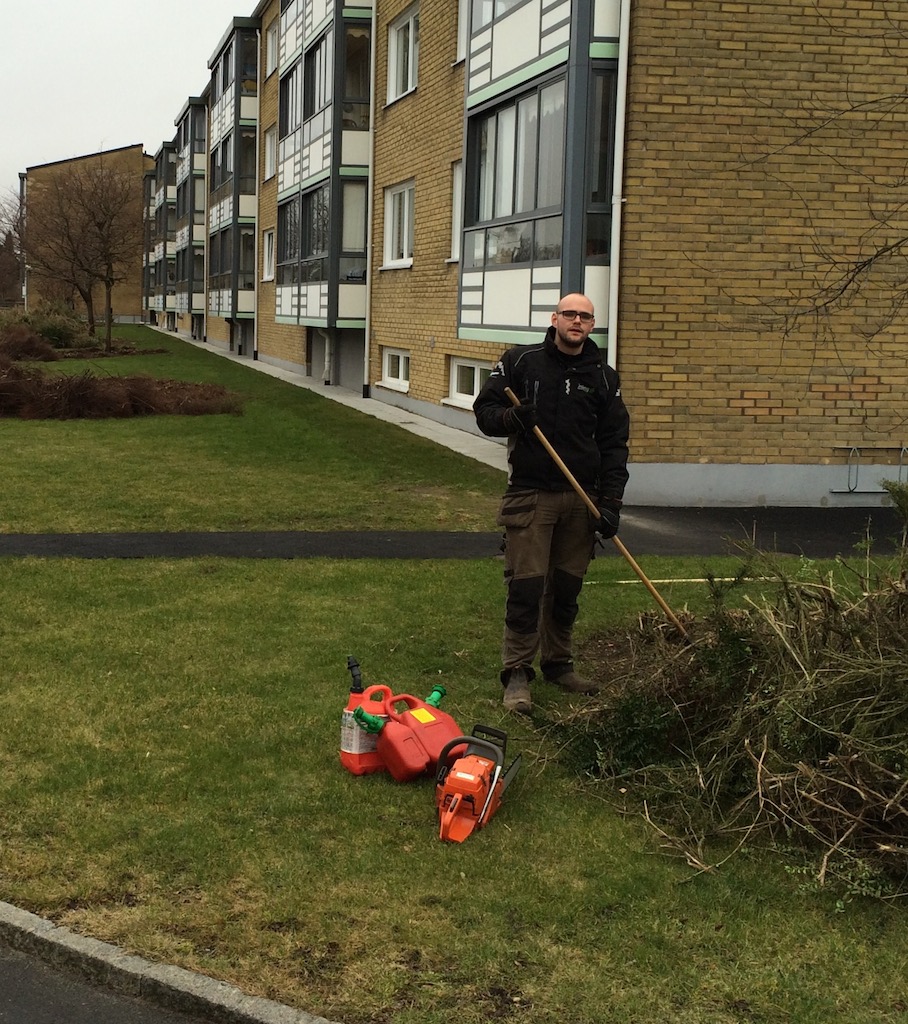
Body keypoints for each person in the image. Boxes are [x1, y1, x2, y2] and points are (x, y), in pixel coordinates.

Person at [473, 294, 630, 713]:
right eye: (570, 314)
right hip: (531, 494)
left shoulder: (604, 378)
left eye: (584, 316)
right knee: (526, 586)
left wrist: (611, 501)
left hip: (582, 498)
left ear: (592, 324)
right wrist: (512, 419)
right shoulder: (521, 363)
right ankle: (517, 674)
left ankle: (558, 663)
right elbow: (485, 410)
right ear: (555, 319)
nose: (576, 321)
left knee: (566, 588)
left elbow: (615, 444)